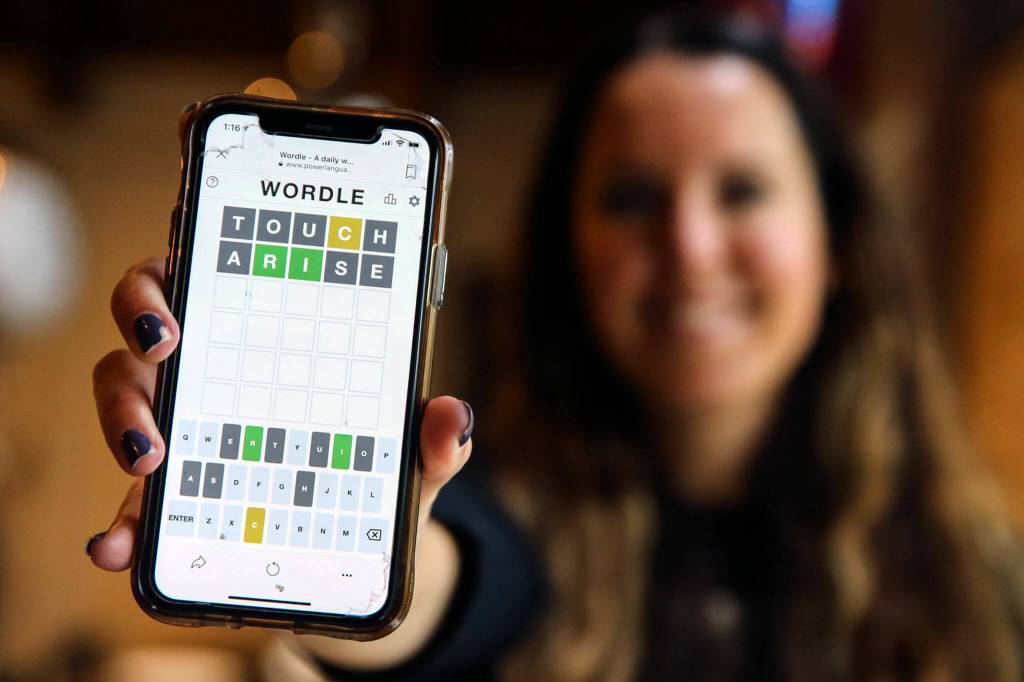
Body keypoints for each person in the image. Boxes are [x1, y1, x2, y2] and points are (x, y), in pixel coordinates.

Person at [87, 9, 1024, 681]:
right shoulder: (511, 511)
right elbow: (466, 579)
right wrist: (369, 557)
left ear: (836, 245)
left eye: (742, 191)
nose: (690, 246)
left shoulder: (984, 574)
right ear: (568, 249)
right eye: (631, 198)